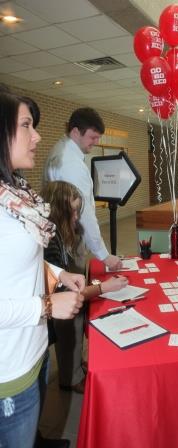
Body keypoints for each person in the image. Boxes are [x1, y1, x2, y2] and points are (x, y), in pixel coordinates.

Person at [0, 92, 85, 448]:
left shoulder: (14, 193)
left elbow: (25, 261)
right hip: (9, 371)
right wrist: (47, 306)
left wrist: (59, 275)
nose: (36, 136)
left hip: (34, 354)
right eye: (25, 126)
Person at [40, 180, 128, 392]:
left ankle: (75, 369)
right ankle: (69, 379)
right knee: (68, 335)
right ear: (59, 213)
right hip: (54, 310)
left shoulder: (61, 232)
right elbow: (66, 295)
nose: (77, 217)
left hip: (61, 304)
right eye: (73, 212)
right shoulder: (50, 241)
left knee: (76, 332)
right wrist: (103, 288)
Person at [43, 107, 121, 273]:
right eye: (92, 137)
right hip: (67, 239)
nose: (96, 142)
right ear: (76, 132)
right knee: (75, 289)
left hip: (59, 236)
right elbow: (83, 213)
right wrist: (104, 255)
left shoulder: (61, 149)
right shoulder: (70, 163)